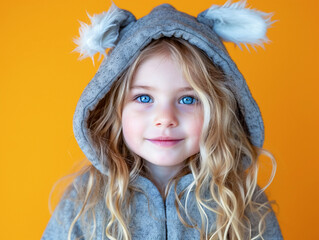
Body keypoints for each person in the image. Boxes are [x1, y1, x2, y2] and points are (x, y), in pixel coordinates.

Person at [42, 1, 283, 239]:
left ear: (218, 110)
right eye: (144, 97)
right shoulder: (85, 199)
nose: (165, 119)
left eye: (188, 100)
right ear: (114, 108)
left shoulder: (243, 200)